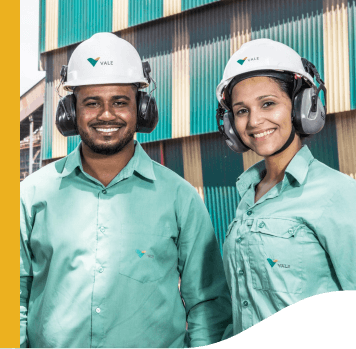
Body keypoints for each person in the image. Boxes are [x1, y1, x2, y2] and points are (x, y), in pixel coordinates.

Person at [20, 32, 232, 348]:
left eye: (120, 102)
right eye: (91, 103)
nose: (107, 115)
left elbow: (208, 305)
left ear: (142, 109)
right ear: (70, 112)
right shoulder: (32, 195)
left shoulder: (180, 198)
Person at [215, 38, 356, 335]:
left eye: (268, 104)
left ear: (302, 106)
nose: (254, 121)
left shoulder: (337, 194)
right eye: (241, 111)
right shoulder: (247, 197)